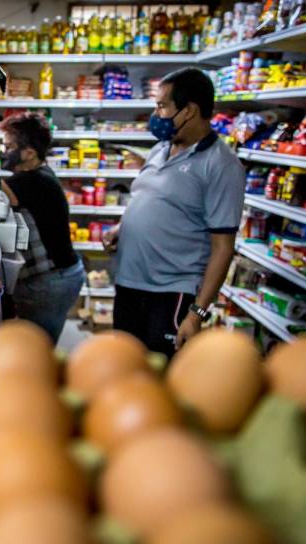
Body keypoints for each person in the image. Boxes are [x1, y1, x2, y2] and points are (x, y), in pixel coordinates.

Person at [103, 67, 245, 357]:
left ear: (189, 110)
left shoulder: (221, 165)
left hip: (172, 292)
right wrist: (121, 230)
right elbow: (150, 200)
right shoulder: (160, 149)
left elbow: (222, 248)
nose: (156, 114)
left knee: (163, 379)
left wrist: (196, 315)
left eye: (162, 105)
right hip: (130, 282)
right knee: (126, 366)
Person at [0, 112, 85, 344]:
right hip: (58, 276)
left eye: (8, 147)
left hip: (52, 281)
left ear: (28, 153)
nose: (3, 152)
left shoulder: (34, 181)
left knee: (38, 348)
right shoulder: (37, 175)